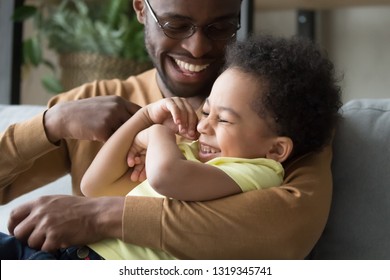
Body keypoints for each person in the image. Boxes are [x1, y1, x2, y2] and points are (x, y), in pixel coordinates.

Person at [0, 0, 340, 259]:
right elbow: (93, 185)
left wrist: (100, 216)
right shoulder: (92, 103)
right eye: (176, 25)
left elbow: (286, 231)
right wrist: (50, 124)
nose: (198, 48)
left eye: (221, 27)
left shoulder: (285, 116)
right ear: (140, 9)